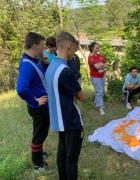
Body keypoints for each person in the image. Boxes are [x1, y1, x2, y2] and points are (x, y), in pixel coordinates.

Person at [45, 31, 86, 180]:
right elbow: (82, 97)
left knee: (62, 154)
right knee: (72, 160)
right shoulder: (66, 71)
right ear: (68, 46)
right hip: (71, 122)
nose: (74, 53)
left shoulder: (51, 66)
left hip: (59, 120)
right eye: (74, 49)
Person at [16, 32, 50, 170]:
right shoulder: (27, 65)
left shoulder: (33, 60)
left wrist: (44, 61)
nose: (44, 48)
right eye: (42, 46)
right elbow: (21, 89)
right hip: (38, 107)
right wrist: (36, 101)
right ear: (35, 46)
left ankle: (39, 153)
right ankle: (38, 164)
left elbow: (41, 75)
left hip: (42, 106)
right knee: (39, 134)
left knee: (41, 132)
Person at [88, 42, 106, 115]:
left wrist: (101, 65)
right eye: (96, 47)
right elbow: (97, 67)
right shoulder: (91, 57)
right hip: (95, 77)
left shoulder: (100, 56)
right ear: (92, 48)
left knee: (102, 91)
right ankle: (100, 107)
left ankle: (97, 104)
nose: (98, 48)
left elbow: (106, 64)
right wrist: (101, 65)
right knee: (99, 91)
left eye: (98, 47)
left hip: (102, 75)